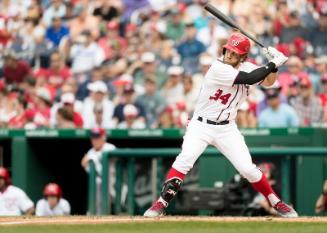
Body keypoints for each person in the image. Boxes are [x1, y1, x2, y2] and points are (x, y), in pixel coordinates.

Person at [144, 33, 298, 218]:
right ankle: (160, 204)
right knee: (185, 159)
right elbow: (249, 79)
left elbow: (270, 82)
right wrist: (273, 63)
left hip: (227, 128)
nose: (230, 54)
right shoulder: (218, 68)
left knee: (248, 169)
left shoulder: (248, 67)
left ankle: (276, 202)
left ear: (243, 56)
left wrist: (272, 64)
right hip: (201, 125)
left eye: (235, 52)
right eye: (229, 50)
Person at [81, 127, 116, 215]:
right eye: (93, 137)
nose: (95, 140)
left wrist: (89, 159)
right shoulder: (90, 151)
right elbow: (91, 171)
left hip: (115, 183)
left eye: (98, 137)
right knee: (97, 182)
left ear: (104, 137)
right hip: (101, 184)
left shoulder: (110, 147)